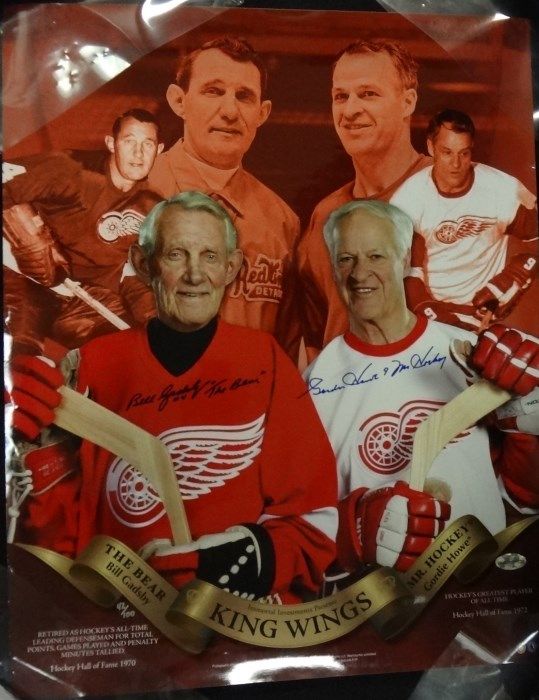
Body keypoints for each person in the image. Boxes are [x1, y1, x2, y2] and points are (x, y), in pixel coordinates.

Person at [8, 192, 338, 605]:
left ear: (232, 267)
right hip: (125, 617)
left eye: (210, 257)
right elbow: (57, 544)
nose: (195, 275)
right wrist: (40, 459)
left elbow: (312, 517)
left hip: (238, 621)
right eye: (176, 255)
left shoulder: (265, 360)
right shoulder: (90, 365)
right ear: (144, 264)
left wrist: (224, 565)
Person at [304, 200, 538, 576]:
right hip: (383, 597)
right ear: (333, 266)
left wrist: (527, 424)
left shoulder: (471, 353)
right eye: (346, 259)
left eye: (376, 256)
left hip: (479, 581)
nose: (360, 273)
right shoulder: (312, 387)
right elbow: (303, 524)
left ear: (403, 261)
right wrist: (353, 531)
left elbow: (523, 494)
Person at [148, 37, 300, 359]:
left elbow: (285, 353)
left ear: (262, 113)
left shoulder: (282, 221)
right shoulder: (134, 194)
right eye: (213, 91)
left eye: (244, 96)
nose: (230, 111)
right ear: (179, 101)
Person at [297, 39, 432, 361]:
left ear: (408, 102)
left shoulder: (456, 190)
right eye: (340, 96)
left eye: (368, 94)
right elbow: (314, 340)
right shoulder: (325, 214)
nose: (350, 110)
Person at [3, 108, 164, 357]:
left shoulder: (152, 209)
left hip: (83, 296)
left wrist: (156, 318)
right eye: (129, 141)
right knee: (21, 362)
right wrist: (26, 240)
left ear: (159, 150)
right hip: (22, 281)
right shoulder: (71, 170)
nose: (138, 153)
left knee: (128, 356)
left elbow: (132, 276)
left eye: (148, 144)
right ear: (111, 143)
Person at [390, 109, 538, 331]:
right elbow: (406, 273)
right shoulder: (408, 201)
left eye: (464, 153)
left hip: (484, 312)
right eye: (447, 152)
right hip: (429, 312)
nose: (456, 164)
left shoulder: (503, 190)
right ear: (431, 147)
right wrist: (429, 312)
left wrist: (516, 274)